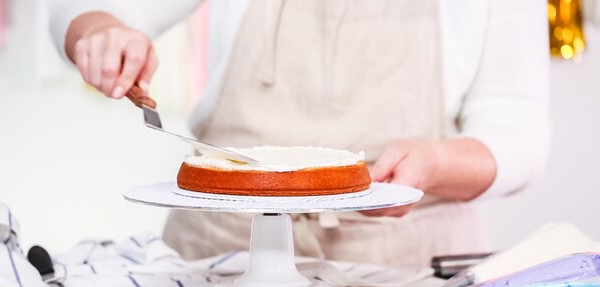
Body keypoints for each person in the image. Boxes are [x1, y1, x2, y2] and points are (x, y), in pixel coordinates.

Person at [50, 0, 551, 267]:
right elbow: (82, 5)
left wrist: (436, 165)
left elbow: (518, 129)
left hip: (405, 269)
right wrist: (98, 29)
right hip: (219, 257)